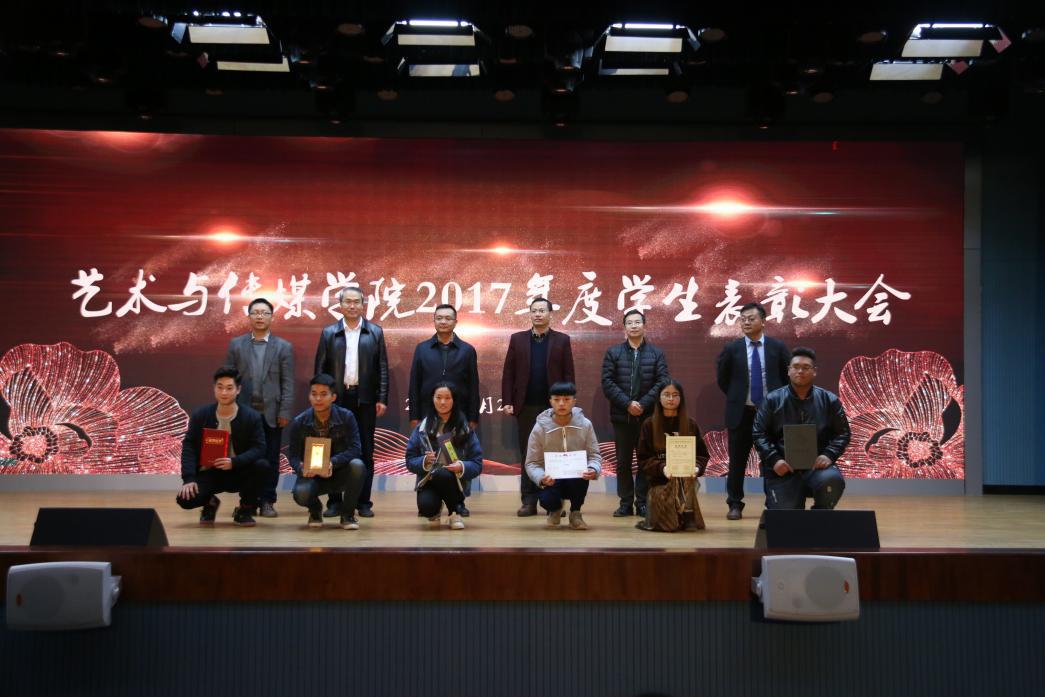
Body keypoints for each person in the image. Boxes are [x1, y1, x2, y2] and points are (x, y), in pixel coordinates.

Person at [314, 287, 388, 519]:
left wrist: (382, 398)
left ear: (363, 305)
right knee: (334, 448)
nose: (352, 306)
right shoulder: (329, 333)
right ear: (340, 305)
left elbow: (382, 368)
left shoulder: (375, 332)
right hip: (337, 398)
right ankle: (335, 502)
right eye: (348, 301)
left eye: (357, 302)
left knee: (366, 450)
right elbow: (320, 369)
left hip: (365, 398)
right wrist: (321, 397)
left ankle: (363, 502)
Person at [501, 297, 575, 517]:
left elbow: (569, 373)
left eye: (542, 310)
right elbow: (509, 373)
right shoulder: (517, 339)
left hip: (554, 408)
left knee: (554, 453)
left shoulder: (562, 340)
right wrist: (508, 401)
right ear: (530, 314)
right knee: (528, 454)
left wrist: (568, 402)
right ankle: (529, 501)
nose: (538, 314)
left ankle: (554, 502)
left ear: (550, 314)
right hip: (526, 406)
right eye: (534, 310)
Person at [716, 301, 790, 521]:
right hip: (741, 413)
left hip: (770, 415)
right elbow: (723, 379)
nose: (746, 322)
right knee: (737, 462)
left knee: (771, 460)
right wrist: (738, 397)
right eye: (743, 319)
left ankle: (773, 503)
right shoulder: (732, 348)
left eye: (751, 318)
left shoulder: (777, 347)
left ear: (763, 321)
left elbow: (787, 377)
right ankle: (734, 503)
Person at [752, 347, 850, 510]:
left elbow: (843, 433)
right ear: (788, 370)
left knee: (832, 481)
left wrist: (829, 454)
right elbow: (759, 433)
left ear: (814, 371)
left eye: (806, 367)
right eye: (796, 367)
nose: (800, 371)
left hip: (816, 467)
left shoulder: (829, 400)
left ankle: (820, 514)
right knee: (787, 519)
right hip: (783, 468)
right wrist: (774, 459)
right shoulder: (772, 400)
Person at [224, 297, 294, 518]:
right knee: (246, 459)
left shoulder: (283, 347)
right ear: (249, 317)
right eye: (255, 312)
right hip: (243, 413)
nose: (260, 317)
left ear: (271, 317)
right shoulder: (236, 344)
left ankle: (267, 501)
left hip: (272, 413)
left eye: (264, 313)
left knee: (271, 459)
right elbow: (228, 380)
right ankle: (248, 502)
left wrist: (284, 411)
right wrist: (228, 409)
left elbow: (287, 382)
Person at [407, 303, 480, 515]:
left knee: (457, 456)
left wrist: (472, 416)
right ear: (434, 321)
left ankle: (458, 500)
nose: (443, 321)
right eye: (439, 318)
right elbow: (414, 383)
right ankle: (429, 492)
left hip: (459, 415)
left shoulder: (467, 350)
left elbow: (473, 385)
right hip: (428, 414)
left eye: (448, 318)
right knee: (429, 455)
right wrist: (414, 415)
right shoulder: (422, 349)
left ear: (456, 322)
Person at [176, 367, 269, 527]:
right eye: (220, 387)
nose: (224, 392)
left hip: (238, 470)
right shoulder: (201, 415)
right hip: (209, 472)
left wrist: (235, 462)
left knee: (262, 466)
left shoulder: (251, 417)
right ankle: (210, 502)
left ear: (238, 390)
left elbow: (259, 448)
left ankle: (245, 509)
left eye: (229, 388)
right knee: (184, 499)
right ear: (214, 388)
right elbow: (189, 446)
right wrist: (189, 479)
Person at [600, 309, 669, 518]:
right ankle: (625, 502)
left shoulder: (656, 353)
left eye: (637, 322)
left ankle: (642, 502)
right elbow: (607, 382)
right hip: (622, 417)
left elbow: (663, 382)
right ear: (624, 327)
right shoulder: (614, 352)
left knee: (645, 461)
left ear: (644, 326)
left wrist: (643, 404)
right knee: (623, 463)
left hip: (648, 418)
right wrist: (628, 404)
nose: (634, 326)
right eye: (629, 322)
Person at [287, 373, 366, 530]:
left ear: (333, 397)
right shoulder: (299, 422)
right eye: (314, 394)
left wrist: (332, 463)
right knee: (301, 494)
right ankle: (315, 510)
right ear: (309, 396)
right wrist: (301, 468)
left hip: (339, 472)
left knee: (358, 466)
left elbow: (355, 449)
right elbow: (293, 456)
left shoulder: (346, 417)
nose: (318, 399)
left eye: (323, 394)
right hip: (312, 476)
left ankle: (347, 515)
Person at [405, 381, 483, 530]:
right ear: (432, 399)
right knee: (426, 507)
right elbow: (410, 460)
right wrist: (424, 461)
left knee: (443, 474)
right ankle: (435, 511)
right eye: (438, 397)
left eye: (447, 398)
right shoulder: (422, 429)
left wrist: (461, 466)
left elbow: (477, 463)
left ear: (454, 400)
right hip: (429, 480)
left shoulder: (465, 429)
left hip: (454, 481)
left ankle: (455, 512)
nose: (442, 402)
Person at [524, 381, 601, 530]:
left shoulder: (585, 424)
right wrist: (541, 477)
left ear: (574, 401)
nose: (561, 403)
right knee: (547, 499)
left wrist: (593, 469)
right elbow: (531, 463)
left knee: (582, 475)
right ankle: (555, 509)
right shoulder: (539, 428)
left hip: (576, 477)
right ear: (550, 401)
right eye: (557, 399)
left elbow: (594, 455)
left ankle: (575, 513)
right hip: (551, 478)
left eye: (566, 399)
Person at [635, 380, 710, 532]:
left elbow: (702, 455)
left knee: (684, 474)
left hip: (686, 479)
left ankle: (688, 513)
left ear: (681, 398)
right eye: (666, 395)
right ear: (659, 398)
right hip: (660, 481)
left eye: (675, 395)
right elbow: (643, 459)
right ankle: (679, 515)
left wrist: (696, 468)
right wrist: (663, 468)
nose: (671, 399)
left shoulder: (690, 424)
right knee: (669, 526)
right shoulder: (649, 425)